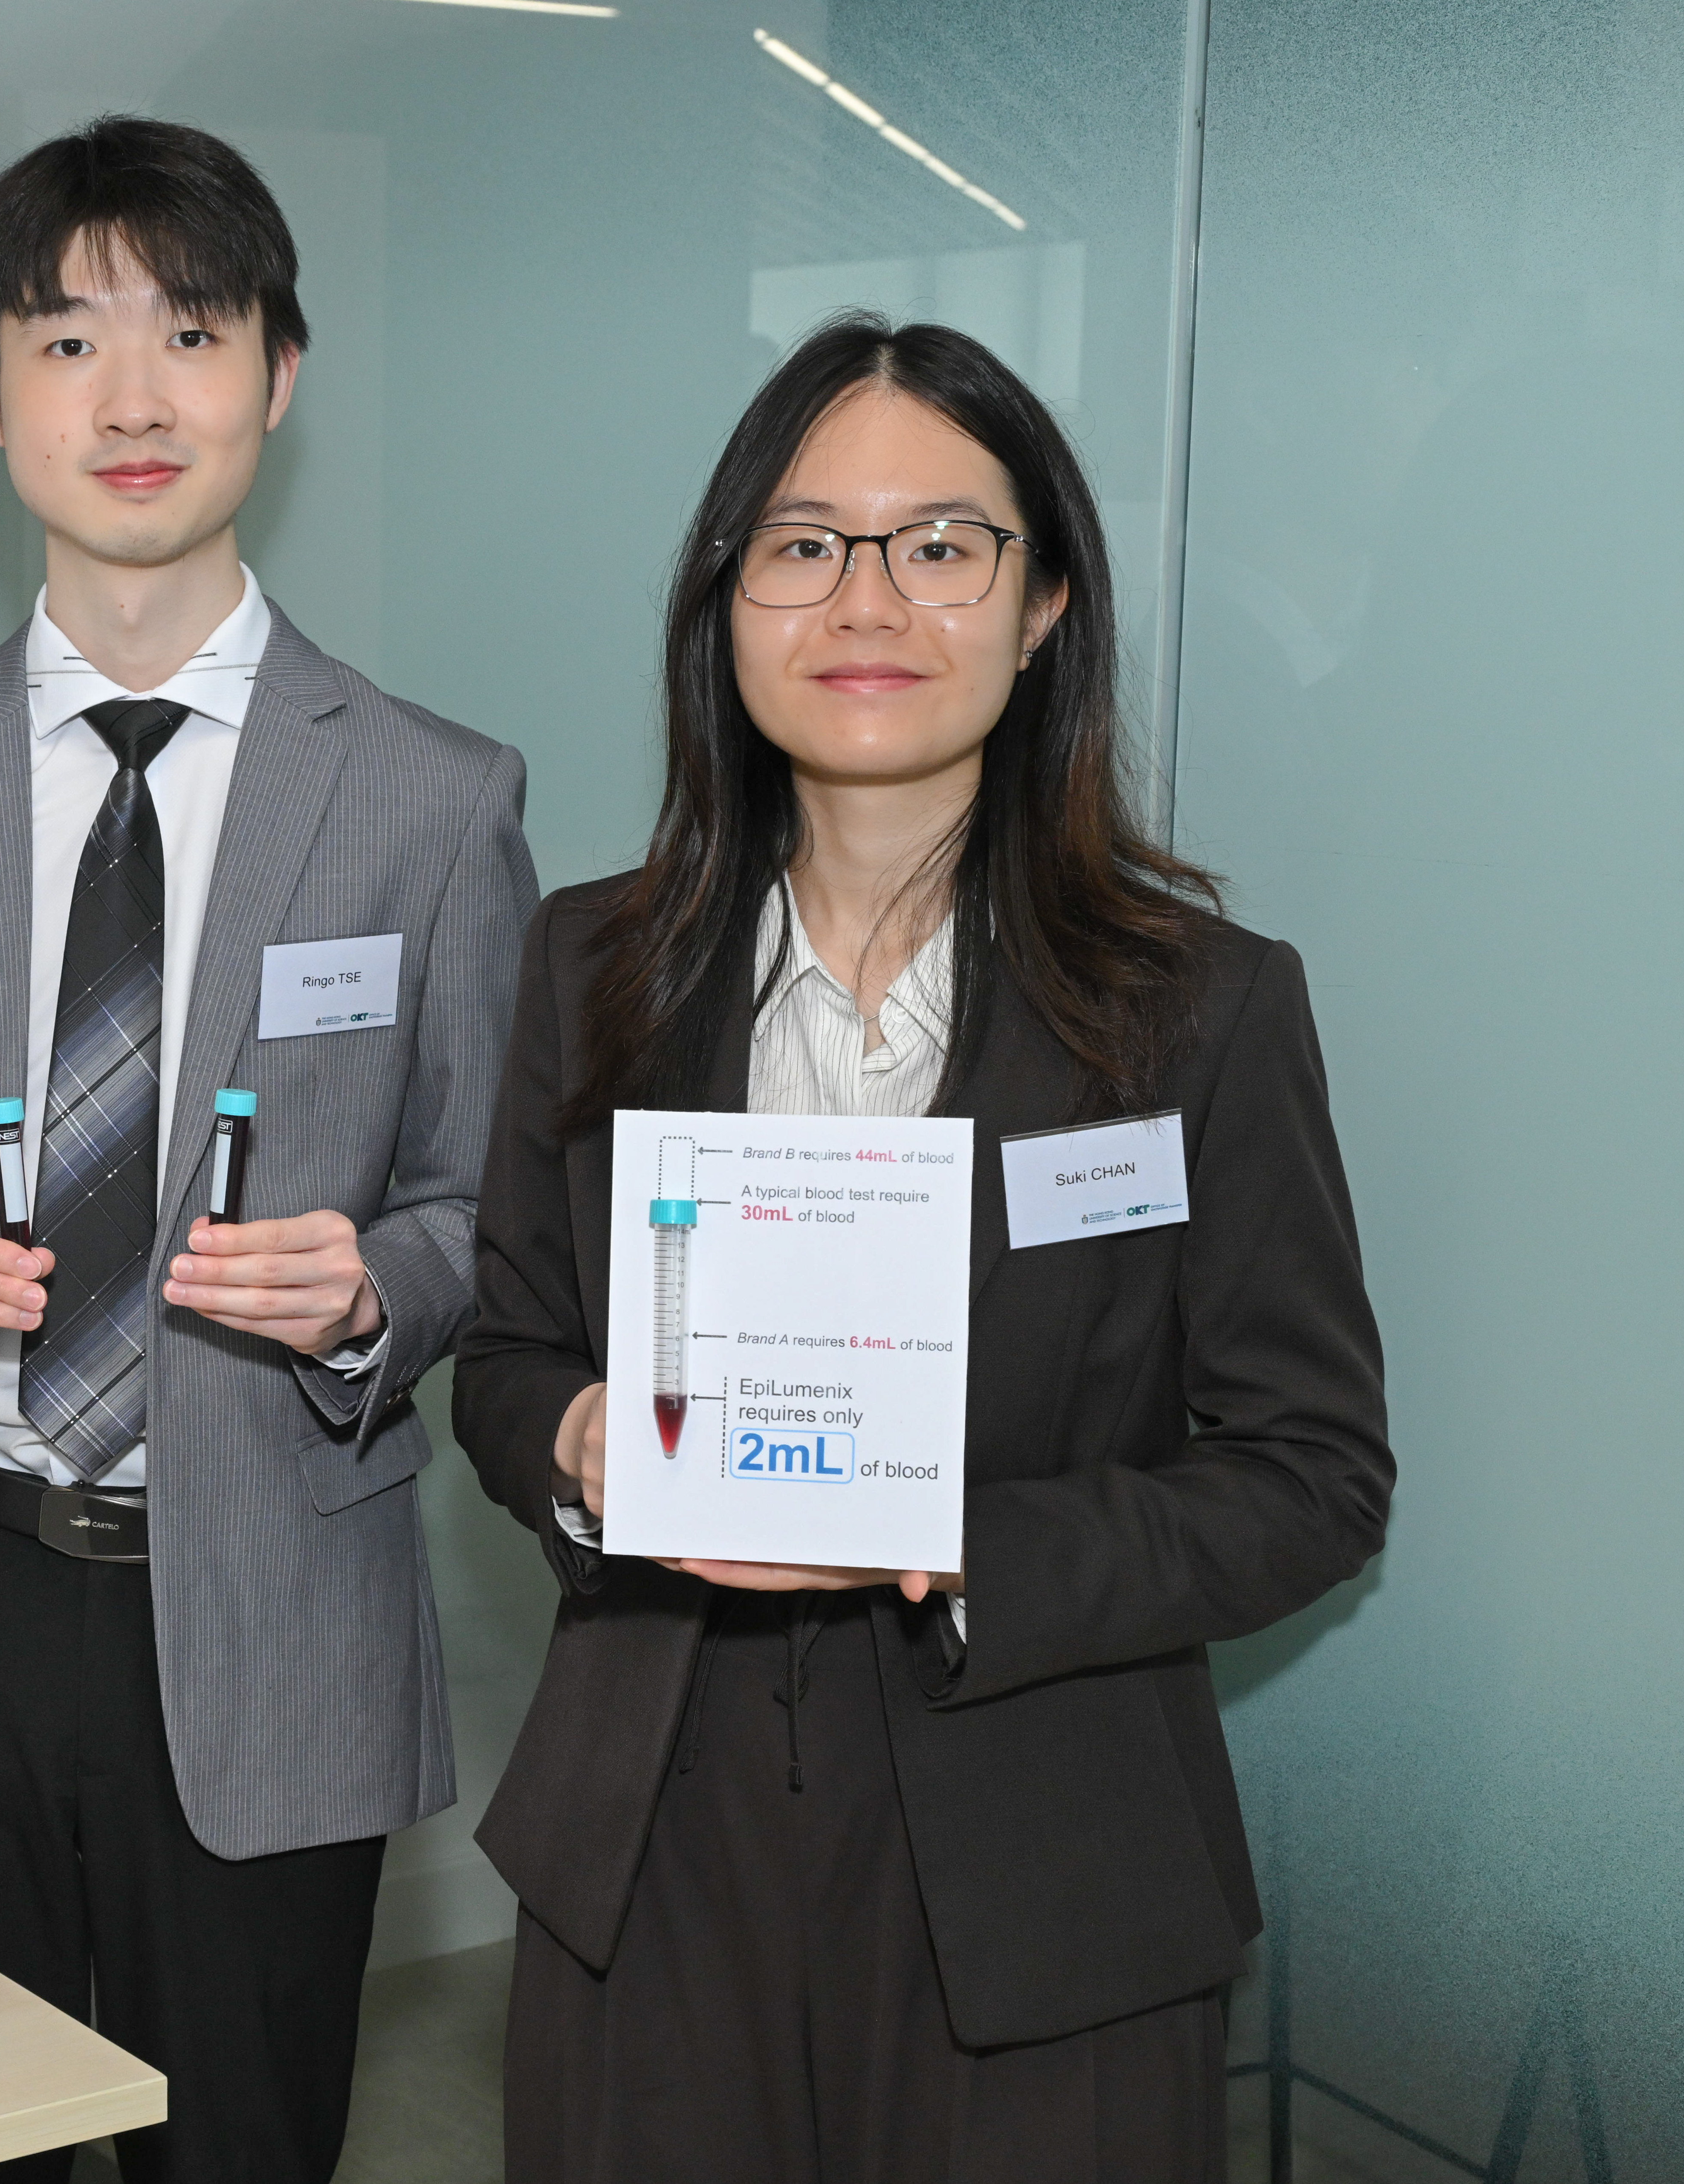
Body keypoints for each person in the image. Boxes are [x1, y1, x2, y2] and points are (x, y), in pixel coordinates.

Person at [453, 314, 1395, 2179]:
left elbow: (1312, 1475)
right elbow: (504, 1354)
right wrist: (573, 1444)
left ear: (1041, 601)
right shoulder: (592, 965)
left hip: (1047, 1866)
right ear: (726, 602)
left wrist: (961, 1542)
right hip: (652, 1836)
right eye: (802, 545)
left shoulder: (1198, 1008)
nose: (865, 600)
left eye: (941, 544)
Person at [0, 117, 536, 2184]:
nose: (133, 397)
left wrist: (374, 1288)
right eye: (67, 340)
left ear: (279, 373)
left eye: (191, 331)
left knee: (244, 2154)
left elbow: (478, 1210)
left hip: (270, 1609)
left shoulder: (436, 801)